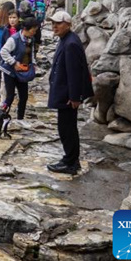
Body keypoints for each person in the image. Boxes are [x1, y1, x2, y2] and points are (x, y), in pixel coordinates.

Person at [47, 10, 93, 174]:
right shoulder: (66, 39)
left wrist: (74, 97)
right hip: (65, 92)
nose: (54, 26)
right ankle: (70, 159)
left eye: (58, 23)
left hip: (67, 95)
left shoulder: (71, 44)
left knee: (67, 128)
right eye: (53, 23)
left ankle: (71, 162)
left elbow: (75, 73)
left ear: (68, 24)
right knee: (66, 127)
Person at [0, 17, 40, 120]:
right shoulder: (14, 39)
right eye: (33, 30)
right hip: (10, 71)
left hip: (22, 71)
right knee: (10, 96)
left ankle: (20, 118)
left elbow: (31, 53)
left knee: (24, 96)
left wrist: (33, 64)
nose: (34, 33)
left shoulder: (31, 39)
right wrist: (13, 63)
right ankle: (2, 118)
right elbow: (3, 51)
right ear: (26, 29)